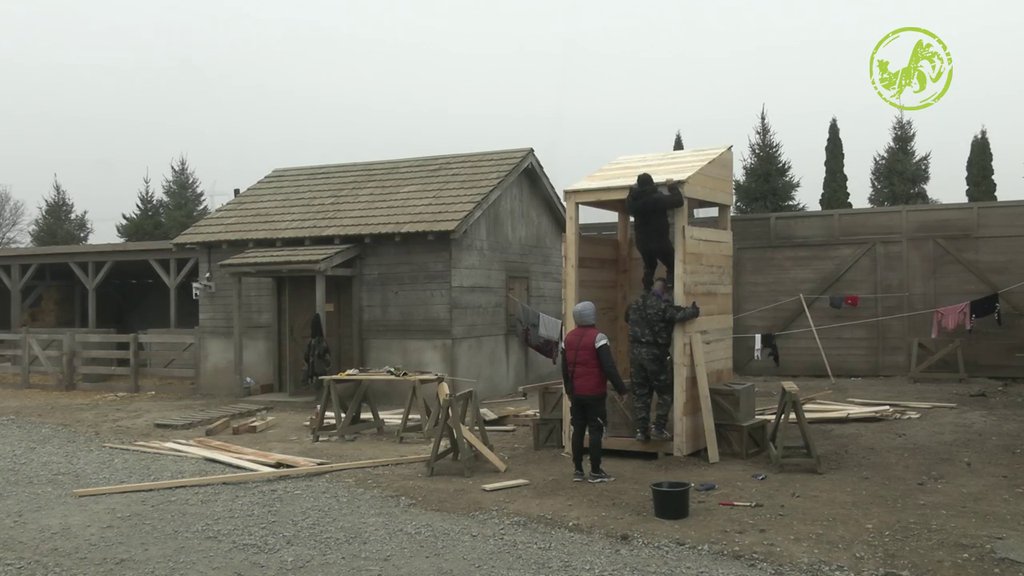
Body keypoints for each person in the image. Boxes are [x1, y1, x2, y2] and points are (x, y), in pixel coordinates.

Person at [561, 301, 629, 483]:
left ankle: (577, 470)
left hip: (576, 393)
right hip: (594, 393)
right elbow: (609, 366)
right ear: (592, 316)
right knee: (595, 430)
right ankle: (596, 471)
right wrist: (622, 389)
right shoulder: (599, 338)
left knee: (578, 429)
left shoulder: (567, 339)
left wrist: (569, 389)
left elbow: (564, 369)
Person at [625, 278, 700, 442]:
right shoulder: (662, 307)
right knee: (666, 393)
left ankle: (641, 431)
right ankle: (658, 428)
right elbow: (682, 315)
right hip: (656, 355)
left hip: (635, 355)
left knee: (641, 394)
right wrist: (695, 309)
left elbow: (627, 317)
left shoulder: (635, 305)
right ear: (665, 291)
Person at [626, 173, 684, 292]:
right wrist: (672, 186)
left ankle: (647, 292)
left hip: (642, 243)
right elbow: (678, 201)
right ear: (652, 183)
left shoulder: (634, 202)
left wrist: (632, 190)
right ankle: (670, 291)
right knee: (673, 265)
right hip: (659, 241)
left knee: (649, 266)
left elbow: (628, 205)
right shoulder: (657, 198)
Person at [303, 313, 332, 397]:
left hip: (314, 368)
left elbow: (306, 357)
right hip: (321, 368)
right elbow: (327, 356)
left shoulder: (311, 342)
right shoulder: (322, 342)